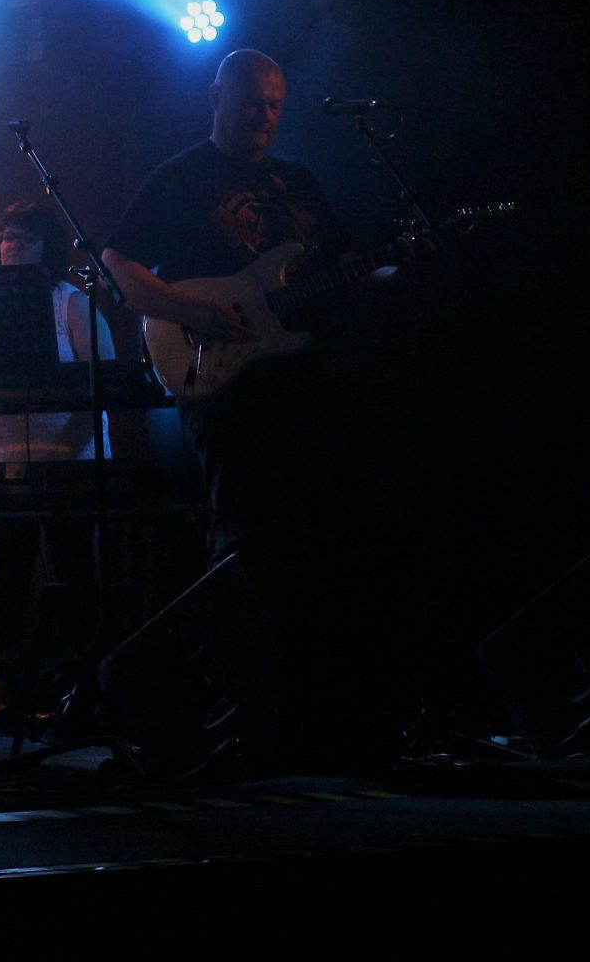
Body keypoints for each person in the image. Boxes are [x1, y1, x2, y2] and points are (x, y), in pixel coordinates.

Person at [101, 49, 409, 768]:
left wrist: (392, 270)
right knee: (247, 544)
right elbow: (119, 264)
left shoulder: (297, 184)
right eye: (250, 102)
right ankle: (240, 715)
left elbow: (340, 272)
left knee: (320, 544)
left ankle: (320, 717)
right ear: (216, 97)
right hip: (229, 389)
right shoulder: (180, 177)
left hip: (306, 387)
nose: (263, 116)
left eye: (274, 105)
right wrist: (192, 311)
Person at [0, 202, 117, 704]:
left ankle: (84, 684)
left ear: (46, 247)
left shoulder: (71, 302)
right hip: (0, 457)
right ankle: (4, 685)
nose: (10, 245)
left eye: (24, 238)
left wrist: (73, 440)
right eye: (6, 236)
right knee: (8, 569)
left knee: (74, 566)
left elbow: (106, 380)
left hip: (68, 459)